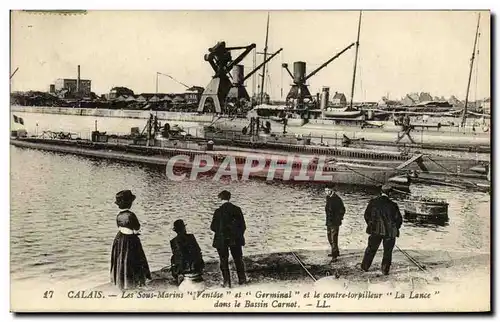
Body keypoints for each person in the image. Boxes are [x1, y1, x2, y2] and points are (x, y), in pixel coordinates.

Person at [110, 190, 151, 290]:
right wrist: (137, 232)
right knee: (134, 260)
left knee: (122, 260)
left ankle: (123, 282)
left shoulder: (118, 216)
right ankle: (136, 282)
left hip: (119, 239)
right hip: (130, 240)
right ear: (130, 203)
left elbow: (120, 227)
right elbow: (137, 228)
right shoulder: (131, 215)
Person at [360, 184, 403, 275]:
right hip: (390, 233)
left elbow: (366, 215)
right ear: (390, 193)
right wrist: (394, 228)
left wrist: (371, 225)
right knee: (388, 252)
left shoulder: (373, 202)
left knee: (371, 249)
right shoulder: (393, 205)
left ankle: (365, 267)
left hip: (375, 230)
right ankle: (385, 270)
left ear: (381, 192)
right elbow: (399, 220)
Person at [210, 190, 247, 287]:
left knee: (223, 261)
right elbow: (243, 226)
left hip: (222, 240)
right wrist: (237, 235)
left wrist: (221, 233)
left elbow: (213, 227)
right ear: (229, 198)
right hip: (235, 240)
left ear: (220, 198)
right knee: (238, 260)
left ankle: (227, 283)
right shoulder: (237, 209)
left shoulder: (218, 211)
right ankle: (242, 280)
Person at [170, 219, 205, 285]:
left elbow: (177, 256)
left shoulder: (173, 241)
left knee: (173, 258)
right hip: (196, 267)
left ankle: (177, 276)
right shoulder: (191, 237)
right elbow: (198, 250)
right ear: (183, 228)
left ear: (176, 230)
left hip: (183, 269)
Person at [324, 186, 345, 260]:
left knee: (333, 238)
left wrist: (338, 219)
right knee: (330, 237)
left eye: (327, 190)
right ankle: (336, 251)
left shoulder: (337, 199)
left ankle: (334, 255)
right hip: (329, 221)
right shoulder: (328, 198)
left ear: (331, 190)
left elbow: (342, 210)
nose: (325, 192)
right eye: (325, 190)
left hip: (334, 222)